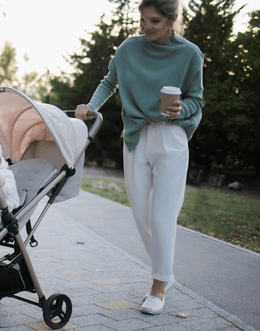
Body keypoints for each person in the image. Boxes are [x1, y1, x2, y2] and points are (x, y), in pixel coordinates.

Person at [75, 0, 204, 315]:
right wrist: (92, 107)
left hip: (171, 138)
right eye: (143, 19)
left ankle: (158, 288)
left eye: (155, 21)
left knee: (162, 216)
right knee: (141, 213)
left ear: (172, 20)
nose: (145, 27)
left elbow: (196, 99)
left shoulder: (190, 54)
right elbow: (110, 82)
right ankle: (166, 271)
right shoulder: (129, 49)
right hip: (136, 137)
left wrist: (180, 109)